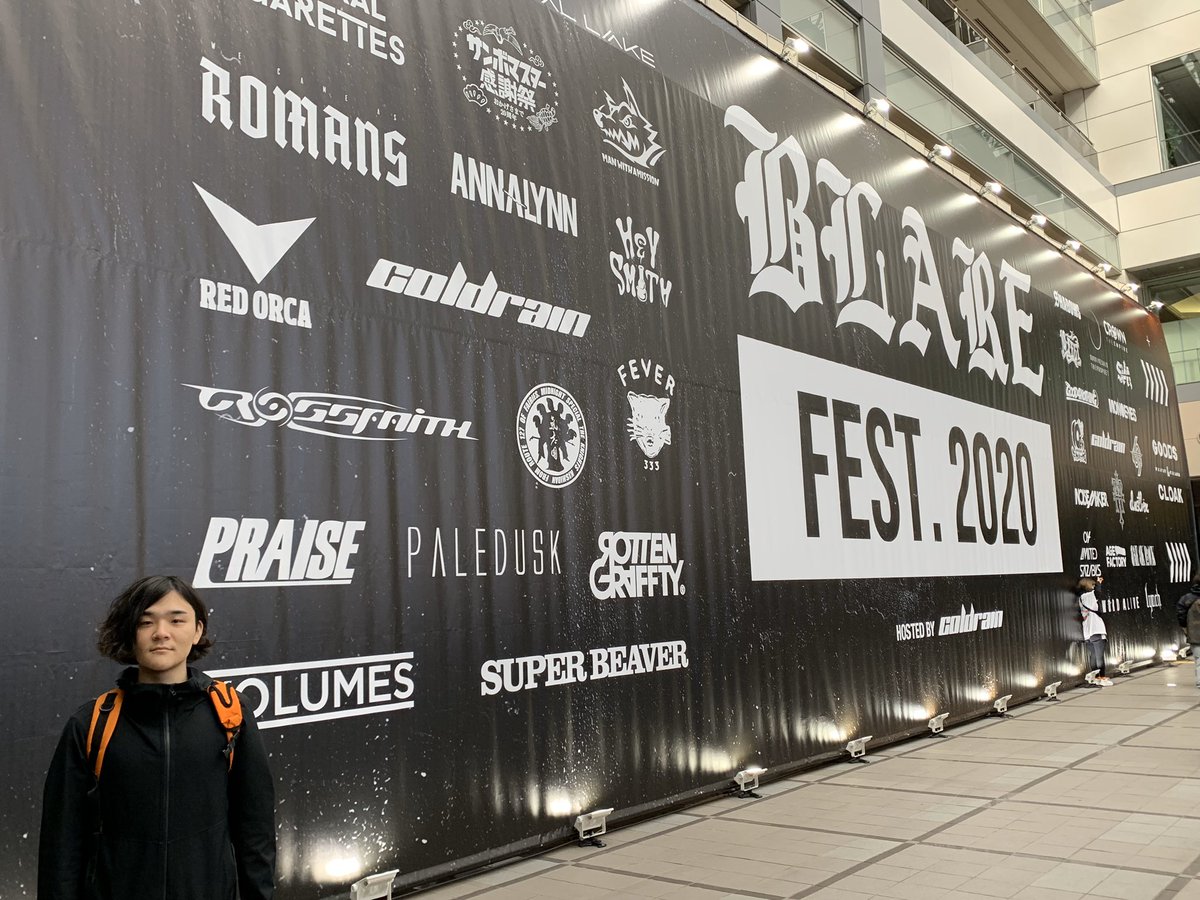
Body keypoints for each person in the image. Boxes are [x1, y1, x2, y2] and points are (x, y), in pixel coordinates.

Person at [38, 575, 276, 899]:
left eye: (177, 620)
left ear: (197, 630)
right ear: (129, 632)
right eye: (145, 621)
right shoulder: (91, 724)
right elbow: (61, 844)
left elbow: (255, 830)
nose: (161, 632)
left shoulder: (231, 715)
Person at [1077, 576, 1112, 687]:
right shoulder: (1090, 595)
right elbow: (1098, 592)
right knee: (1099, 656)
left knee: (1093, 656)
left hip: (1087, 631)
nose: (1093, 586)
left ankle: (1096, 678)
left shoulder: (1081, 598)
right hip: (1096, 629)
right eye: (1091, 585)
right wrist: (1099, 582)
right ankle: (1102, 678)